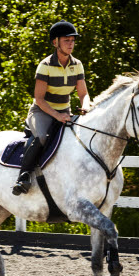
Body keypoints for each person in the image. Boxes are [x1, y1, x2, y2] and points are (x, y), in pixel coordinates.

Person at [12, 20, 92, 196]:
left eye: (72, 40)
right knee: (41, 137)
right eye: (66, 40)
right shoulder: (45, 65)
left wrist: (86, 107)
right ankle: (23, 177)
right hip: (42, 111)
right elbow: (39, 99)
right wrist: (57, 115)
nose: (71, 44)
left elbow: (83, 94)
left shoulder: (77, 65)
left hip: (65, 111)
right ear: (55, 43)